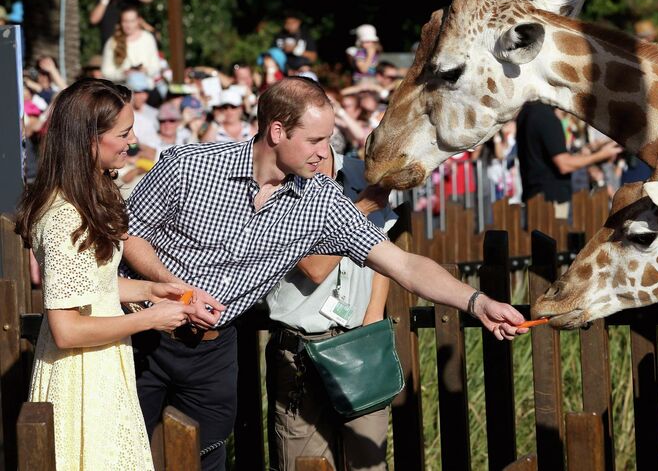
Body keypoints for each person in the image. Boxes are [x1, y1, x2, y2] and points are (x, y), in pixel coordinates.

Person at [122, 77, 527, 471]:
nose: (324, 152)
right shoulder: (190, 167)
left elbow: (403, 265)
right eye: (315, 140)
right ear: (277, 131)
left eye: (328, 139)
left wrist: (478, 302)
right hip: (137, 336)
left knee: (202, 460)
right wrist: (176, 289)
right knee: (121, 455)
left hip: (211, 351)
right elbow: (127, 233)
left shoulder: (323, 201)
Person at [14, 78, 196, 470]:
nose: (132, 142)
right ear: (88, 140)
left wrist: (152, 288)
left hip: (100, 363)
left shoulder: (88, 196)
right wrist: (150, 318)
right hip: (79, 373)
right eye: (124, 133)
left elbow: (91, 285)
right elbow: (67, 328)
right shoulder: (65, 215)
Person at [266, 145, 395, 471]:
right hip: (301, 348)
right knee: (304, 464)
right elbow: (314, 267)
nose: (316, 151)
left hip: (359, 341)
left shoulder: (362, 174)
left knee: (369, 463)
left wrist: (373, 316)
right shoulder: (276, 187)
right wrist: (359, 209)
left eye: (321, 139)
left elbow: (384, 252)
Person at [516, 102, 622, 219]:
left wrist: (590, 150)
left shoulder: (526, 112)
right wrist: (601, 155)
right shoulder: (546, 117)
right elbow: (564, 164)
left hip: (534, 195)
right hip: (550, 202)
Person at [89, 0, 154, 48]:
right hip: (111, 46)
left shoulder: (129, 0)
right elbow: (93, 20)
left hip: (132, 45)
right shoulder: (104, 2)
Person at [101, 6, 161, 84]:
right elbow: (106, 72)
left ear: (138, 21)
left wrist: (145, 71)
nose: (128, 25)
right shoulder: (112, 42)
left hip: (146, 88)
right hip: (122, 90)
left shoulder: (147, 38)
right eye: (125, 21)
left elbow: (155, 66)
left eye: (132, 21)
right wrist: (124, 74)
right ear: (120, 22)